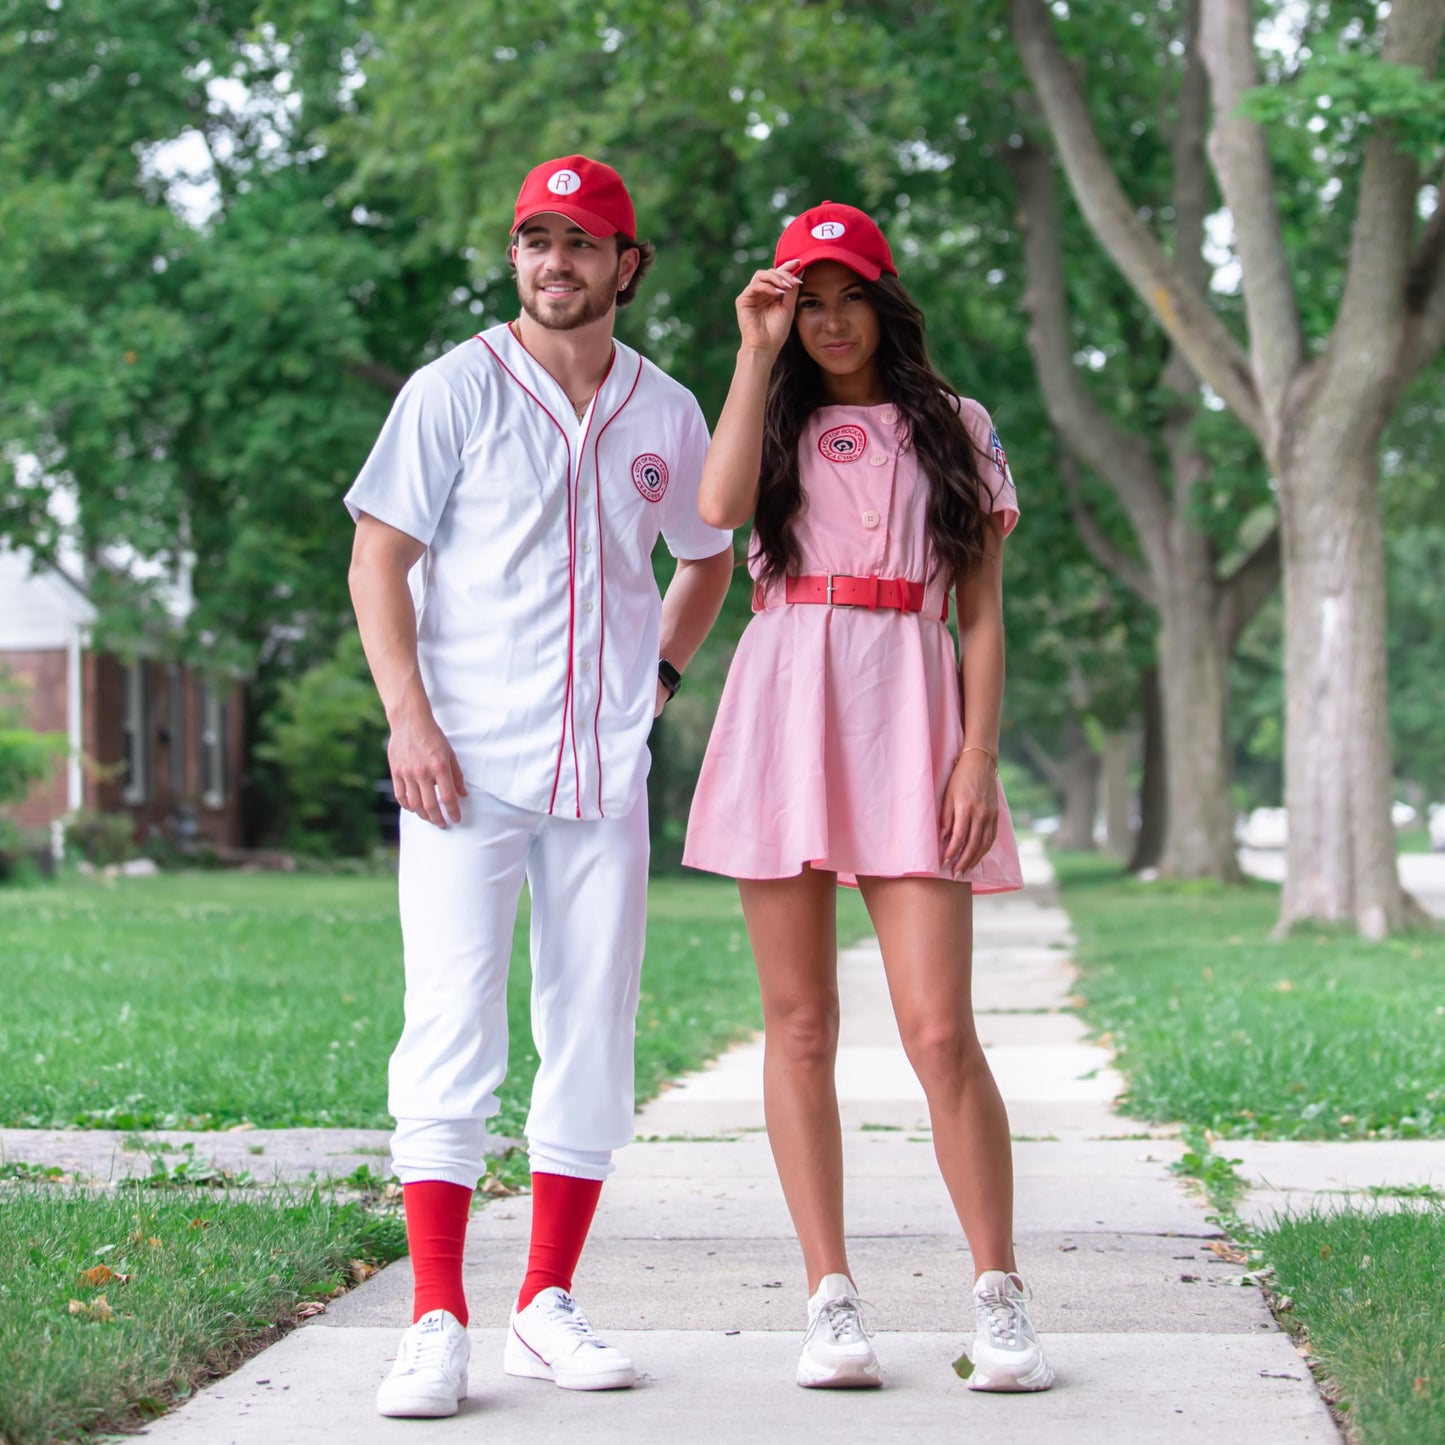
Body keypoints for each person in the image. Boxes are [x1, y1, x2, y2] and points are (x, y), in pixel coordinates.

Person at [346, 154, 734, 1418]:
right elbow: (378, 560)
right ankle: (436, 1316)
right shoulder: (451, 389)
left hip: (602, 771)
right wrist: (408, 720)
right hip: (462, 766)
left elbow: (704, 555)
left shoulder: (668, 411)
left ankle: (543, 1301)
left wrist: (661, 677)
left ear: (627, 266)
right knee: (450, 1025)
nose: (551, 262)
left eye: (579, 242)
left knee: (589, 1030)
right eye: (532, 240)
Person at [683, 201, 1054, 1393]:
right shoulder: (771, 406)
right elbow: (717, 508)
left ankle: (999, 1295)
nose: (829, 320)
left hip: (912, 704)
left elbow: (983, 610)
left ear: (884, 301)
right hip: (786, 696)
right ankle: (828, 1296)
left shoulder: (956, 424)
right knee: (798, 1024)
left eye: (849, 295)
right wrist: (751, 349)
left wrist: (976, 754)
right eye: (808, 299)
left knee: (938, 1028)